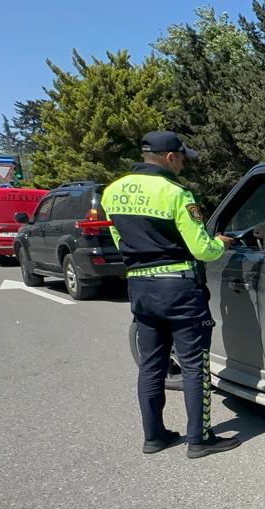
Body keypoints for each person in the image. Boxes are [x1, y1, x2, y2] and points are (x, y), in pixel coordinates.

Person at [103, 130, 241, 459]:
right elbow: (201, 249)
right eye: (181, 158)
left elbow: (119, 240)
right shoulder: (176, 193)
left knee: (152, 366)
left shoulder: (112, 191)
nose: (183, 164)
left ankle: (154, 437)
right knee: (194, 366)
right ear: (169, 157)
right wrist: (220, 244)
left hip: (140, 288)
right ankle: (200, 439)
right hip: (179, 289)